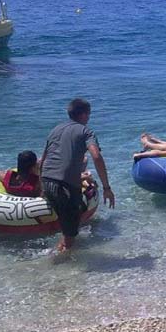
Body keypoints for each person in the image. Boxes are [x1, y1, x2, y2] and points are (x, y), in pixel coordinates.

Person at [41, 98, 115, 252]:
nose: (89, 117)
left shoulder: (55, 129)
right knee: (70, 235)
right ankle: (60, 266)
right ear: (83, 115)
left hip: (47, 179)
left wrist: (41, 186)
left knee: (68, 225)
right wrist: (106, 187)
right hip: (65, 185)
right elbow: (96, 156)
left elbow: (44, 158)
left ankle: (61, 254)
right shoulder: (86, 131)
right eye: (89, 114)